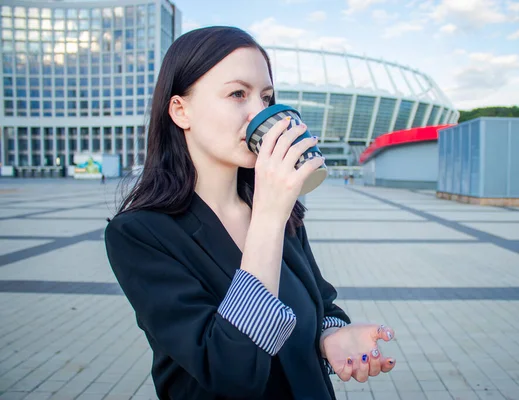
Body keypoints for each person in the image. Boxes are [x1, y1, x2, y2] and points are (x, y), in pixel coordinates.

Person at [104, 26, 396, 400]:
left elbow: (320, 303)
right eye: (237, 93)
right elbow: (230, 371)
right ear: (181, 110)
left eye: (267, 96)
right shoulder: (141, 234)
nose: (260, 112)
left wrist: (331, 335)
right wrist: (268, 221)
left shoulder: (279, 211)